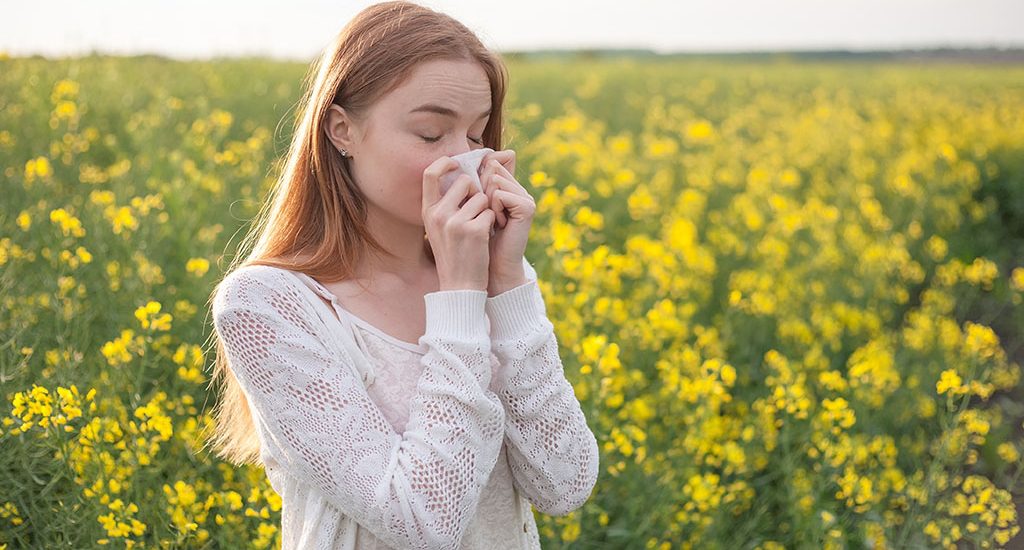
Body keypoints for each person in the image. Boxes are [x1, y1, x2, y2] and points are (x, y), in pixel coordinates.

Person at [204, 2, 600, 549]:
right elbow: (422, 523)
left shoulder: (488, 275)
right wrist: (461, 298)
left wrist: (506, 285)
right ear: (342, 129)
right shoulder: (267, 306)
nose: (464, 161)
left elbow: (565, 484)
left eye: (477, 134)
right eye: (431, 134)